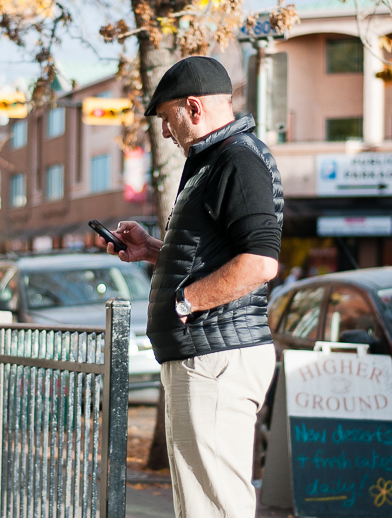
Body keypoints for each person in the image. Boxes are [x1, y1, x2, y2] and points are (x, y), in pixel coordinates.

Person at [101, 56, 283, 518]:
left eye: (168, 118)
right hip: (208, 355)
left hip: (215, 358)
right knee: (201, 505)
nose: (165, 132)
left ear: (194, 108)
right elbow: (215, 255)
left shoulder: (237, 158)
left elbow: (260, 262)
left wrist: (185, 303)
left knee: (215, 506)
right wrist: (151, 250)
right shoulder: (217, 159)